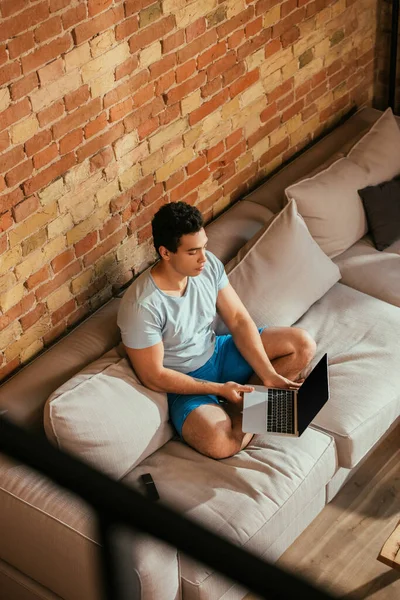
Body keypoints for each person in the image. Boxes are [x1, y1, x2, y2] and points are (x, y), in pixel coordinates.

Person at [117, 201, 316, 459]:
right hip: (186, 382)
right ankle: (249, 408)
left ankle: (246, 407)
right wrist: (219, 389)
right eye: (192, 252)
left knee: (302, 345)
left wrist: (268, 374)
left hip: (219, 352)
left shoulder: (208, 264)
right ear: (165, 253)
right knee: (219, 444)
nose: (203, 258)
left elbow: (238, 319)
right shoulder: (141, 305)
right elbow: (153, 376)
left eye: (204, 246)